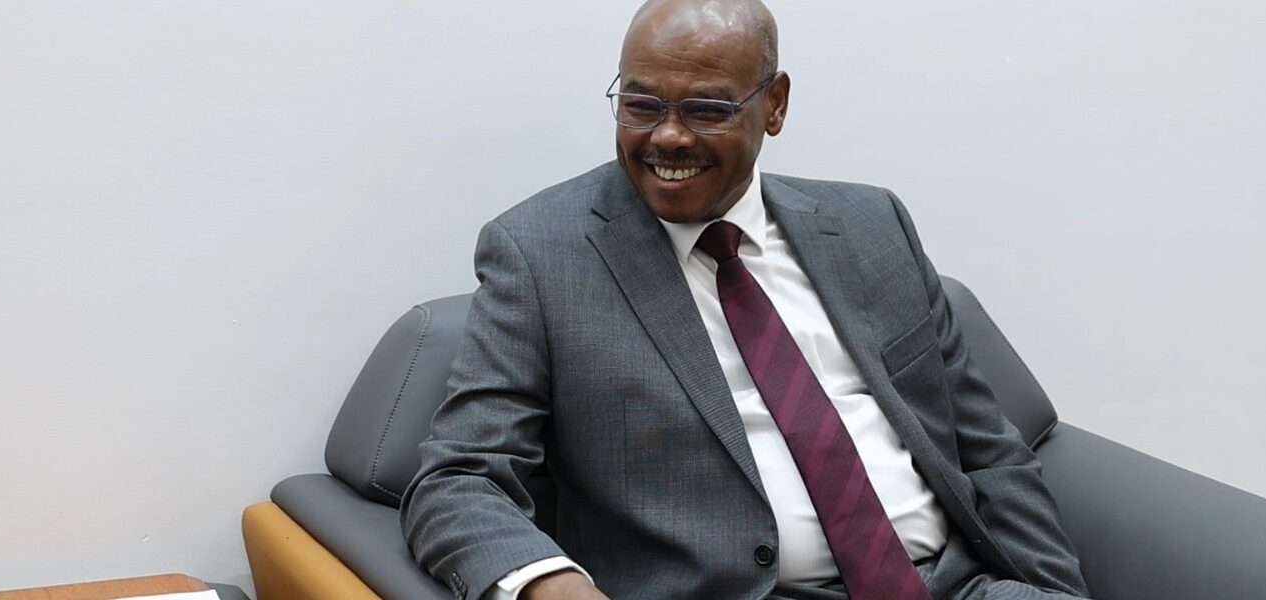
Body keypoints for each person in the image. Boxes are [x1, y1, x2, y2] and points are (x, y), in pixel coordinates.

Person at [401, 1, 1092, 598]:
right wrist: (552, 585)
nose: (668, 136)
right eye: (641, 104)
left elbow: (990, 452)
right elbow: (459, 478)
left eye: (706, 109)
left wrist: (1053, 589)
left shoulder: (872, 226)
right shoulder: (541, 256)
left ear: (776, 105)